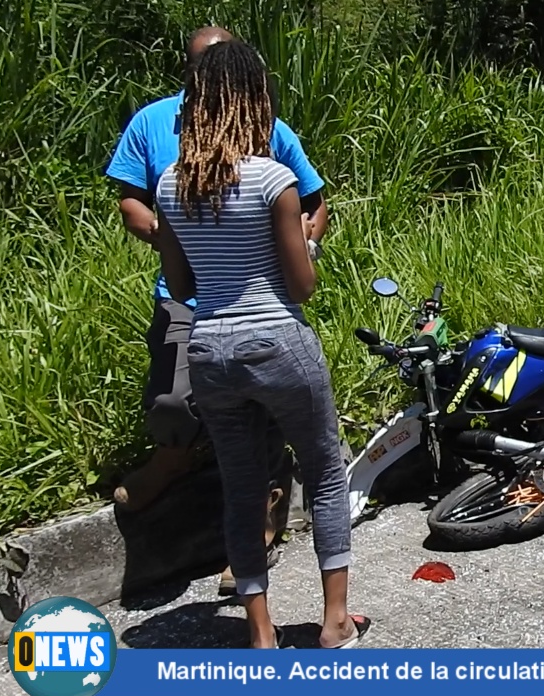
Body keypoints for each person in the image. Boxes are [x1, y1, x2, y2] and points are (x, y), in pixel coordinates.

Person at [149, 38, 369, 649]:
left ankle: (260, 631)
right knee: (325, 473)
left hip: (209, 346)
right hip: (276, 338)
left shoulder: (170, 185)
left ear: (198, 102)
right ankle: (333, 623)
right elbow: (302, 284)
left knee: (242, 486)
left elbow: (185, 282)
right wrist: (304, 242)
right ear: (254, 101)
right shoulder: (274, 179)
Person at [105, 26, 329, 593]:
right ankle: (173, 460)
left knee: (263, 431)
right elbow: (132, 202)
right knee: (175, 399)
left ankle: (260, 532)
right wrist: (175, 233)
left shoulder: (269, 138)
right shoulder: (155, 128)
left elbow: (312, 202)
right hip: (205, 310)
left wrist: (299, 239)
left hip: (253, 307)